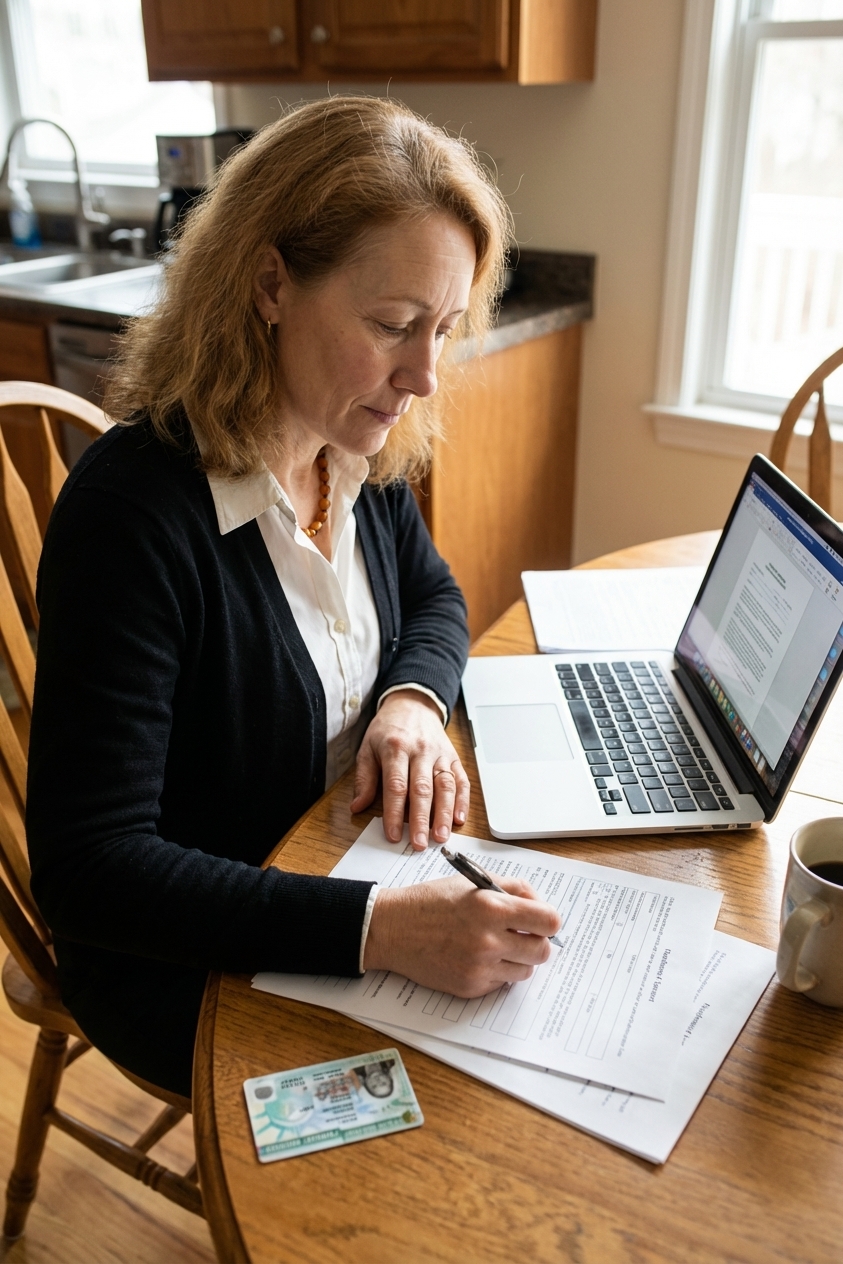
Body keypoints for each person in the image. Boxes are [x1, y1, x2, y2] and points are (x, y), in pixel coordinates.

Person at [27, 96, 561, 1099]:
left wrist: (411, 701)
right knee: (467, 1128)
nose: (424, 375)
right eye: (394, 325)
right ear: (269, 284)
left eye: (444, 328)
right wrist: (377, 931)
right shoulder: (134, 520)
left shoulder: (355, 445)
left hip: (341, 862)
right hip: (188, 959)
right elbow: (91, 868)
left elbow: (437, 597)